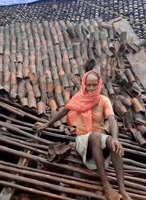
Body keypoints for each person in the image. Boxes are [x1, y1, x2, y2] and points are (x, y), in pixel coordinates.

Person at [36, 70, 132, 200]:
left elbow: (111, 119)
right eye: (88, 85)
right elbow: (64, 111)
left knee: (111, 142)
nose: (91, 88)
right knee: (95, 136)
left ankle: (122, 188)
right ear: (84, 84)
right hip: (83, 139)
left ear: (99, 85)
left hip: (99, 138)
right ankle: (106, 186)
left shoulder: (104, 100)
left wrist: (115, 138)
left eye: (94, 85)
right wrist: (46, 125)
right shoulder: (78, 97)